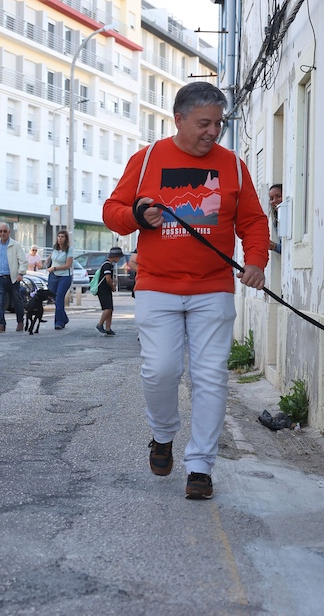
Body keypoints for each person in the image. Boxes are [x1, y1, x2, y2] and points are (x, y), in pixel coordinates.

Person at [103, 81, 269, 500]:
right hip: (157, 286)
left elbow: (252, 220)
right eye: (204, 123)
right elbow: (112, 213)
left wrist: (255, 262)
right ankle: (162, 435)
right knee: (160, 370)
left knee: (210, 376)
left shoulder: (232, 165)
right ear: (178, 119)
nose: (213, 132)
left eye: (219, 123)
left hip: (213, 287)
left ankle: (200, 466)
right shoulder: (147, 159)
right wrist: (139, 214)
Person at [46, 230, 73, 330]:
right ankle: (64, 317)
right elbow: (53, 256)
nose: (60, 238)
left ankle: (59, 322)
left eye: (62, 237)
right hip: (53, 276)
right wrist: (48, 260)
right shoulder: (55, 248)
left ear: (66, 239)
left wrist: (55, 268)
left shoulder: (69, 250)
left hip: (64, 276)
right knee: (53, 297)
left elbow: (68, 265)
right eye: (59, 236)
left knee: (59, 298)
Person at [95, 247, 124, 336]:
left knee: (110, 309)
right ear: (115, 256)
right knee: (108, 308)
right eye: (119, 257)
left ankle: (108, 328)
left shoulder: (109, 265)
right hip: (103, 289)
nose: (119, 259)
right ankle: (100, 324)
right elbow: (108, 279)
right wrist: (112, 287)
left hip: (106, 289)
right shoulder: (107, 265)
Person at [268, 183, 283, 254]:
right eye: (271, 198)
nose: (274, 200)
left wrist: (274, 246)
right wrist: (273, 246)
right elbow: (285, 248)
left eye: (278, 196)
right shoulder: (276, 220)